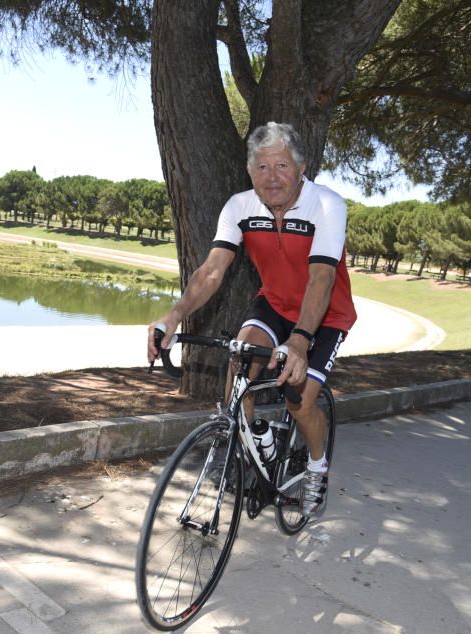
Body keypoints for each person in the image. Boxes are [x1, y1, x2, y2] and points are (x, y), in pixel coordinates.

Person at [147, 121, 357, 518]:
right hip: (275, 304)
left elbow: (322, 278)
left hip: (325, 314)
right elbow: (212, 271)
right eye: (262, 167)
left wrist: (299, 341)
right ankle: (245, 448)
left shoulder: (326, 205)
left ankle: (316, 469)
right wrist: (175, 314)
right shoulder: (240, 207)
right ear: (249, 172)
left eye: (281, 165)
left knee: (299, 402)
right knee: (240, 359)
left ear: (301, 167)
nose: (272, 177)